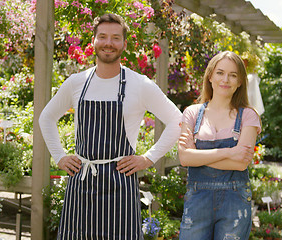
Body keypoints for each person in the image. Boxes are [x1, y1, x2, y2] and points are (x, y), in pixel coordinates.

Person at [39, 13, 182, 240]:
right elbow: (46, 117)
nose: (108, 43)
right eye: (103, 36)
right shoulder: (76, 83)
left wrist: (148, 158)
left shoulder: (140, 84)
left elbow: (178, 120)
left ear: (124, 44)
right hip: (81, 183)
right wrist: (59, 156)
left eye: (115, 38)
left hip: (120, 186)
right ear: (93, 41)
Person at [177, 51, 261, 240]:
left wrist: (198, 155)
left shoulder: (248, 115)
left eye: (233, 75)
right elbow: (185, 158)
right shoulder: (191, 113)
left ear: (240, 82)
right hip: (197, 200)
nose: (226, 79)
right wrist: (230, 152)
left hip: (235, 201)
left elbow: (240, 163)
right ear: (210, 76)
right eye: (220, 73)